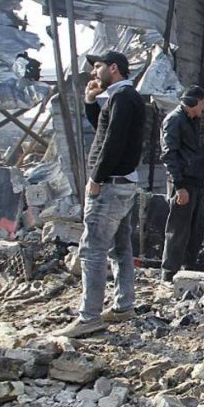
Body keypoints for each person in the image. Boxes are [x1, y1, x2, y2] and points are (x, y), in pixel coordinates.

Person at [54, 51, 145, 338]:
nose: (94, 73)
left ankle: (89, 317)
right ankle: (123, 305)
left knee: (92, 250)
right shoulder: (123, 98)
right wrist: (91, 102)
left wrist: (97, 177)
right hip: (122, 184)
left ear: (113, 68)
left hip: (110, 186)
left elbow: (113, 142)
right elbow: (104, 131)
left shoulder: (123, 98)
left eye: (98, 67)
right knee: (120, 247)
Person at [160, 86, 204, 283]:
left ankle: (189, 268)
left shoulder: (192, 121)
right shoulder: (174, 120)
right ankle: (169, 273)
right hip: (183, 182)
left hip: (196, 181)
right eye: (203, 104)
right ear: (193, 102)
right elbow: (169, 154)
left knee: (195, 230)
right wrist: (179, 185)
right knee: (178, 230)